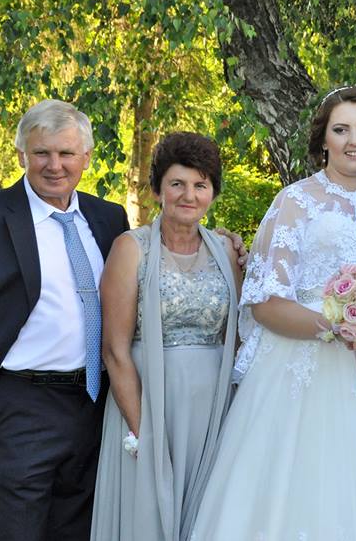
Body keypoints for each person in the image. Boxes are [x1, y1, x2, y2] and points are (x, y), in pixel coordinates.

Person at [188, 86, 356, 539]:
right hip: (301, 369)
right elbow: (265, 302)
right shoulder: (295, 201)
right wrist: (332, 327)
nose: (354, 141)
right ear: (323, 139)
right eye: (341, 130)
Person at [0, 100, 129, 540]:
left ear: (86, 157)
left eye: (66, 153)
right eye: (41, 153)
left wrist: (227, 247)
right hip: (16, 409)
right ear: (21, 155)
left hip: (96, 408)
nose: (55, 165)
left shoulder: (110, 219)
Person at [90, 132, 242, 540]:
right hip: (149, 400)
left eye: (200, 185)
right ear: (157, 190)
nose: (188, 195)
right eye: (177, 183)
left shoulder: (227, 251)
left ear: (212, 193)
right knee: (150, 513)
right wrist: (145, 430)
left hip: (213, 405)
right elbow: (114, 350)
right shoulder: (130, 248)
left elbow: (238, 337)